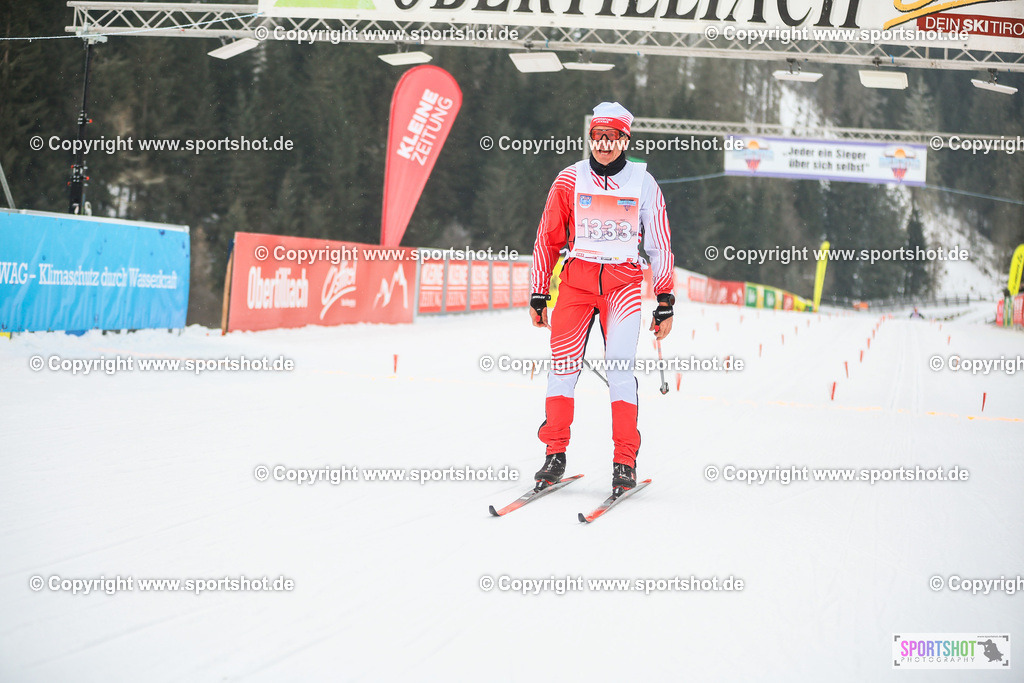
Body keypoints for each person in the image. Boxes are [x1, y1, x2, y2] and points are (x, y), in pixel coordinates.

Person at [528, 101, 675, 495]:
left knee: (620, 371)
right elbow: (548, 237)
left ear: (625, 139)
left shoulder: (644, 183)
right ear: (590, 138)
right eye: (597, 137)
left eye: (612, 138)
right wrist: (539, 291)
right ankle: (554, 453)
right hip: (576, 283)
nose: (604, 144)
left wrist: (665, 300)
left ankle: (624, 459)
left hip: (622, 285)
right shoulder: (567, 180)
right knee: (562, 368)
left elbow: (660, 245)